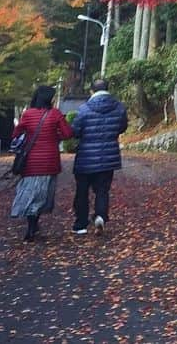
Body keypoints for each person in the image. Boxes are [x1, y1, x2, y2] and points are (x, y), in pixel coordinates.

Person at [9, 85, 74, 241]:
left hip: (30, 161)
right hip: (49, 161)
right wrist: (55, 136)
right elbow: (68, 133)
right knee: (42, 194)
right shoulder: (55, 114)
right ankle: (34, 225)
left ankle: (31, 226)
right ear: (48, 99)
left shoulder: (28, 114)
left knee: (31, 192)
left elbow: (16, 133)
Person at [71, 78, 128, 235]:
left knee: (82, 191)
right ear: (108, 88)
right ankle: (100, 216)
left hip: (85, 158)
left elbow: (75, 130)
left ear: (92, 91)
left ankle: (81, 224)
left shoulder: (83, 109)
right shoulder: (119, 107)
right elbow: (122, 126)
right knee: (102, 190)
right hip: (109, 156)